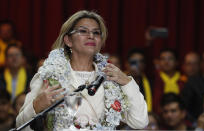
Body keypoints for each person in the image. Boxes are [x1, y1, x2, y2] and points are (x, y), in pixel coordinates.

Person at [16, 10, 148, 130]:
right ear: (68, 40)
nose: (91, 35)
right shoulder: (49, 76)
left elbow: (140, 122)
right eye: (83, 31)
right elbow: (21, 127)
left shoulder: (111, 79)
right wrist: (37, 105)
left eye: (96, 32)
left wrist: (126, 82)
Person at [153, 48, 185, 114]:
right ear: (158, 62)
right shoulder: (154, 78)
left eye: (170, 59)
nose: (166, 62)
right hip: (158, 117)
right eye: (163, 59)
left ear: (177, 62)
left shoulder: (184, 79)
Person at [181, 51, 204, 121]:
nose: (192, 67)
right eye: (189, 64)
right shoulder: (190, 82)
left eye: (195, 64)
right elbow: (185, 106)